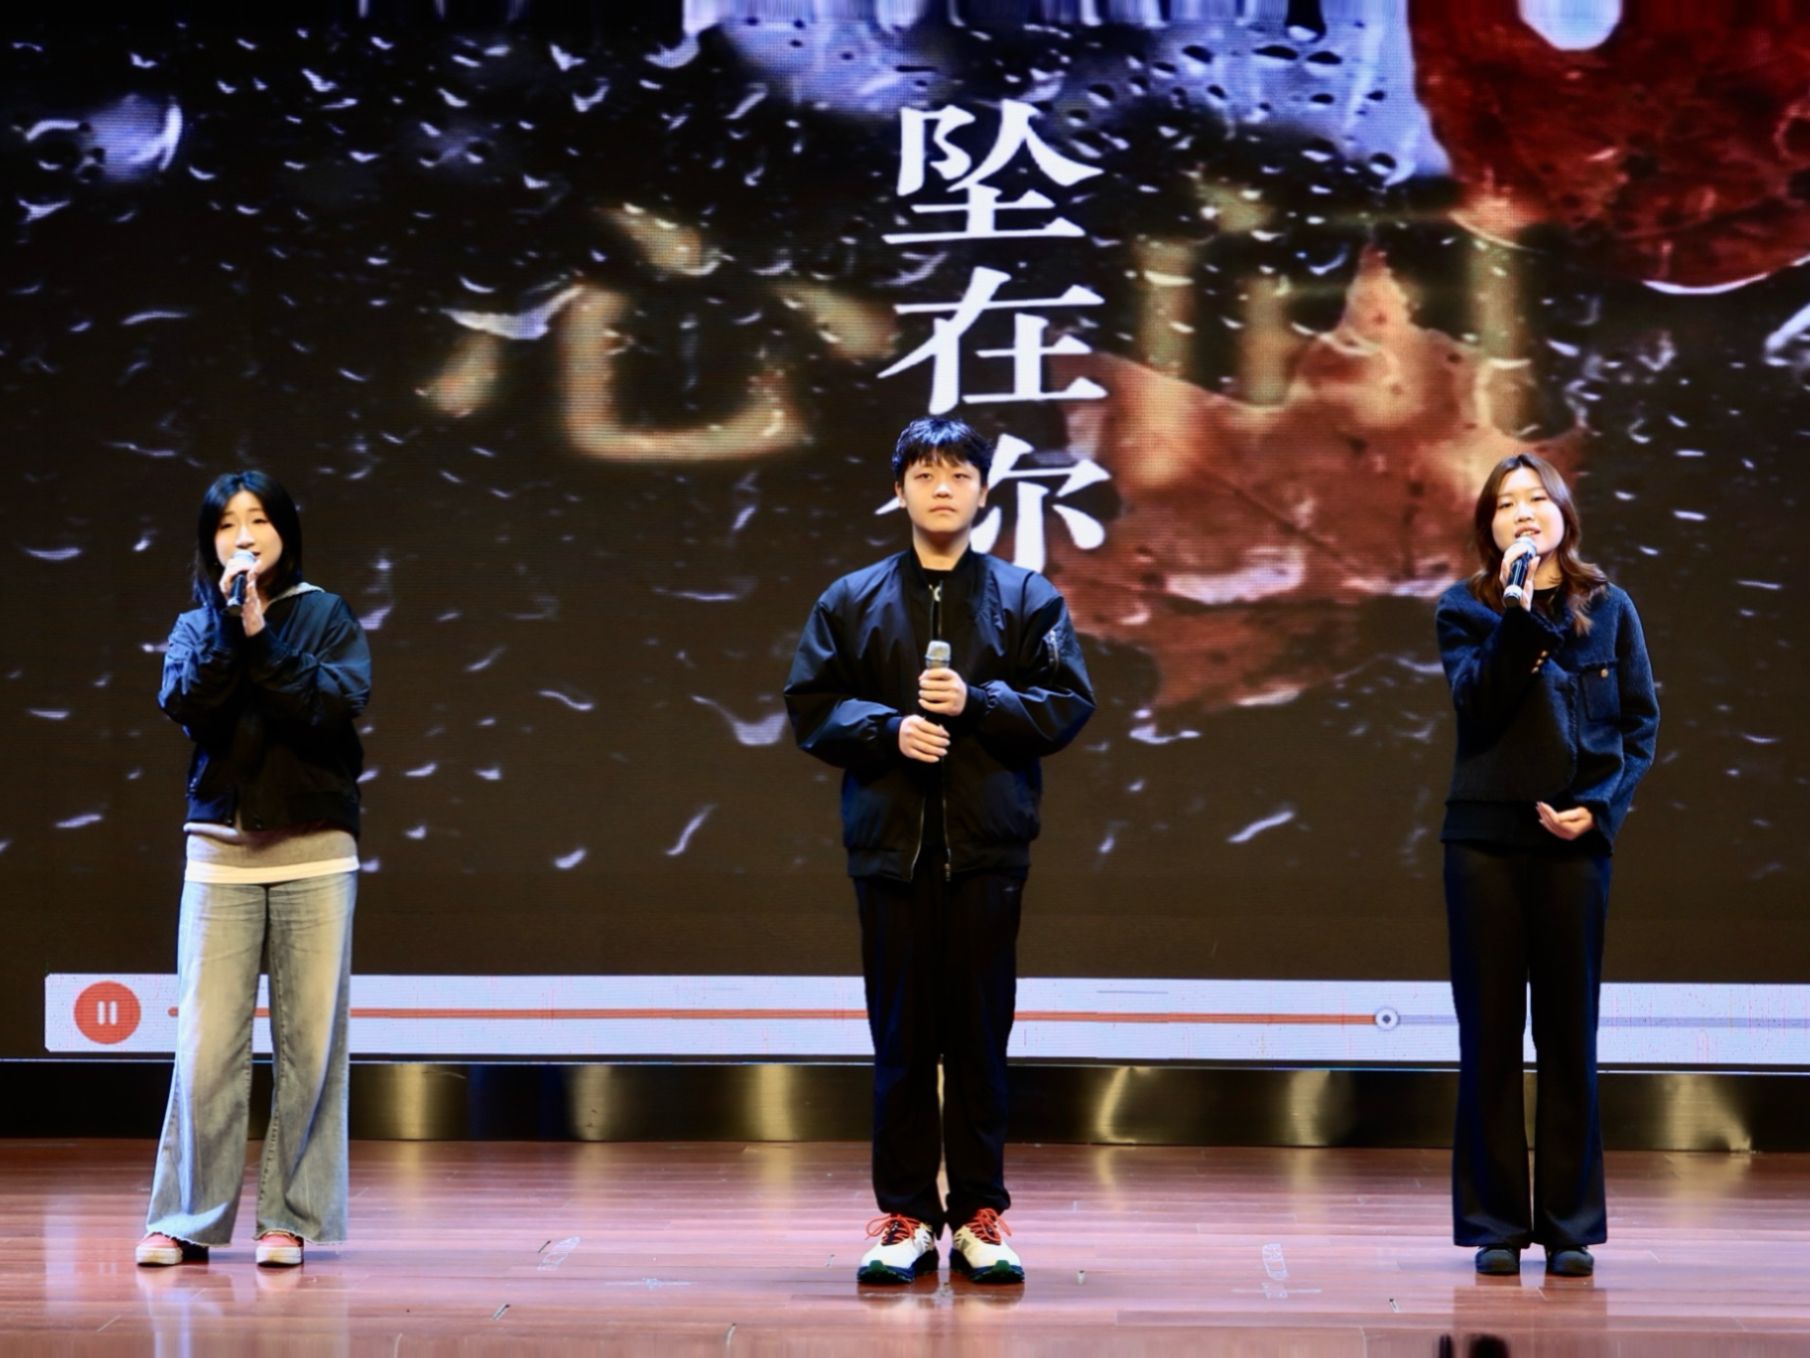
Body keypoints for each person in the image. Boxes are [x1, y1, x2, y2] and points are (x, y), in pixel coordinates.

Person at [785, 417, 1095, 1286]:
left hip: (986, 853)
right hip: (889, 852)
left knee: (980, 1040)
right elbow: (812, 705)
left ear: (983, 491)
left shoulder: (1027, 597)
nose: (942, 488)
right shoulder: (851, 599)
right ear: (899, 492)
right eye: (924, 474)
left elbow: (1066, 704)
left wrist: (978, 702)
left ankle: (981, 1214)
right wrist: (887, 730)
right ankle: (908, 1216)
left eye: (958, 473)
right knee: (901, 1041)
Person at [136, 471, 372, 1269]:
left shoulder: (327, 614)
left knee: (310, 1047)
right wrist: (228, 624)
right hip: (220, 855)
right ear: (211, 543)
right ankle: (185, 1218)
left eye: (259, 520)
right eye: (227, 524)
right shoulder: (194, 626)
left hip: (315, 852)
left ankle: (290, 1219)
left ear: (284, 532)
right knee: (205, 1047)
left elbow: (328, 705)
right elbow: (189, 703)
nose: (244, 535)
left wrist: (262, 634)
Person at [1434, 451, 1659, 1278]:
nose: (1522, 512)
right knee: (1489, 1036)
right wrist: (1519, 610)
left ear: (1564, 512)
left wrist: (1599, 809)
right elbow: (1479, 701)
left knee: (1569, 1035)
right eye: (1504, 504)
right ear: (1489, 527)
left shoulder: (1612, 608)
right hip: (1484, 844)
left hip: (1575, 846)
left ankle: (1570, 1228)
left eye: (1535, 498)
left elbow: (1638, 725)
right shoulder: (1466, 608)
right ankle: (1495, 1224)